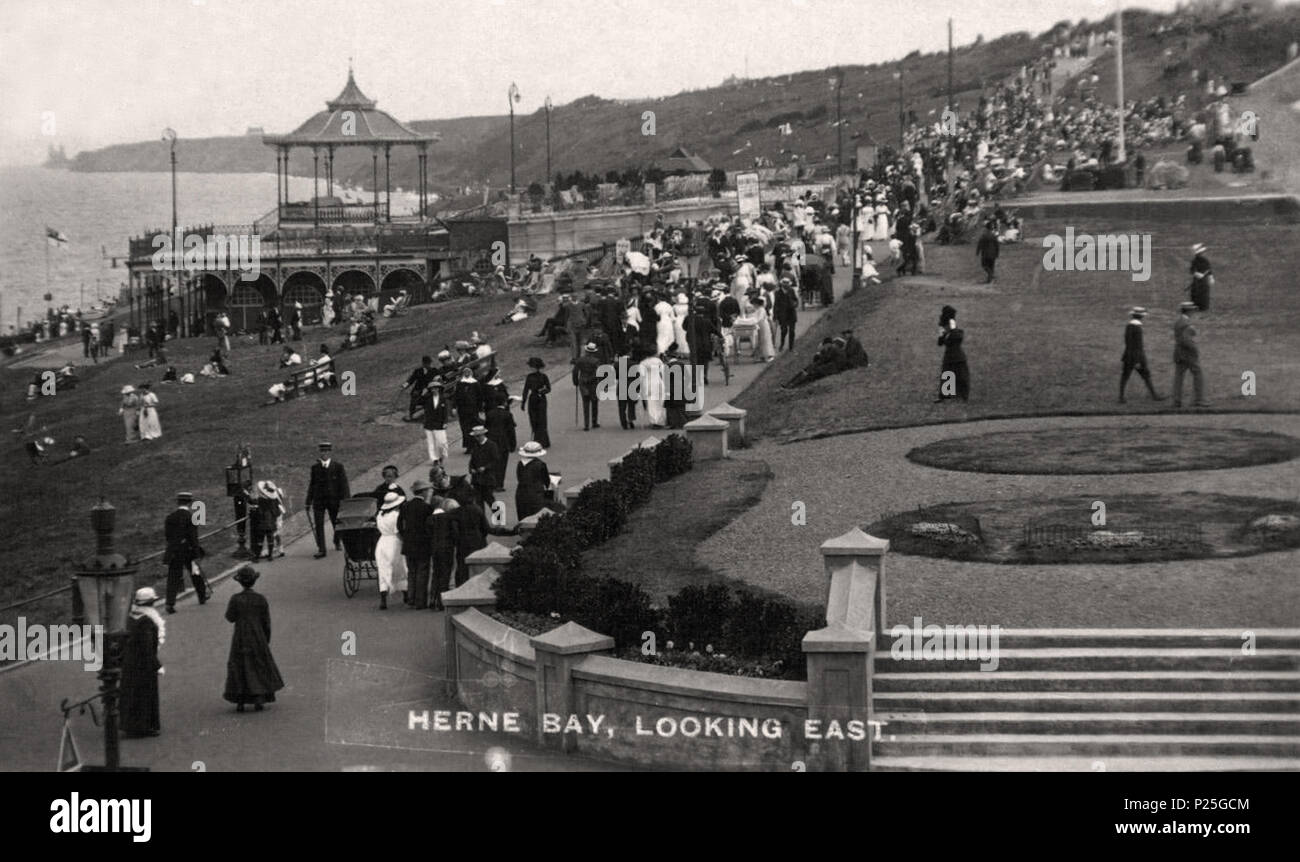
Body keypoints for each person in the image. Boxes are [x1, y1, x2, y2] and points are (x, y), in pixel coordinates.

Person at [223, 566, 285, 712]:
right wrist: (266, 639)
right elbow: (266, 622)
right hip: (257, 636)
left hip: (240, 636)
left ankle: (240, 699)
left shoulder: (235, 599)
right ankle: (259, 697)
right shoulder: (260, 599)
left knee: (239, 665)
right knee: (258, 664)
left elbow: (229, 617)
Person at [120, 587, 165, 738]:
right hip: (143, 664)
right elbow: (147, 647)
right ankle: (145, 726)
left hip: (129, 662)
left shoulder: (130, 618)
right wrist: (157, 664)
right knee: (145, 695)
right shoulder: (147, 622)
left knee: (131, 693)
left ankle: (129, 724)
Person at [163, 491, 206, 614]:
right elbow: (193, 537)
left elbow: (168, 536)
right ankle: (202, 596)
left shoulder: (170, 517)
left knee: (173, 577)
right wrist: (197, 554)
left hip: (174, 550)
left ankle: (169, 603)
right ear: (190, 502)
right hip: (188, 550)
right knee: (195, 573)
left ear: (178, 502)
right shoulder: (191, 517)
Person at [305, 441, 349, 559]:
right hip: (319, 501)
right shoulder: (315, 468)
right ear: (320, 452)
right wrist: (308, 501)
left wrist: (346, 500)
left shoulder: (338, 467)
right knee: (318, 524)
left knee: (336, 523)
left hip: (334, 500)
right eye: (322, 451)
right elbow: (312, 484)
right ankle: (321, 549)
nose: (324, 453)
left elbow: (344, 484)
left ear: (330, 452)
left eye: (326, 451)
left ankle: (336, 540)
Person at [400, 480, 434, 609]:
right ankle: (420, 601)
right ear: (424, 492)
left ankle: (411, 598)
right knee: (422, 572)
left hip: (409, 544)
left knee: (412, 572)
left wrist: (405, 536)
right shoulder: (427, 508)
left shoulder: (405, 506)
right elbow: (430, 526)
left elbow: (400, 525)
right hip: (423, 544)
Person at [1119, 307, 1164, 403]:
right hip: (1137, 357)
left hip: (1128, 356)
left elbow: (1129, 344)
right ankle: (1154, 395)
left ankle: (1121, 397)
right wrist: (1137, 361)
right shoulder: (1137, 328)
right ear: (1141, 316)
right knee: (1146, 376)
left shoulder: (1129, 326)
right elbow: (1135, 345)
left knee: (1125, 376)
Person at [374, 489, 407, 610]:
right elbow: (397, 532)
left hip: (382, 542)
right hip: (394, 542)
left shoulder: (379, 516)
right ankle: (405, 594)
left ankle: (383, 598)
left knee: (383, 569)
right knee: (400, 568)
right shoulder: (396, 516)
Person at [1172, 301, 1207, 408]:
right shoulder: (1186, 324)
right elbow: (1186, 340)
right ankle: (1199, 400)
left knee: (1179, 377)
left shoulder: (1178, 322)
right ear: (1189, 311)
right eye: (1192, 310)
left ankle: (1177, 401)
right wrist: (1195, 349)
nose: (1193, 312)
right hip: (1188, 354)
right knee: (1198, 374)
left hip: (1179, 353)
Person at [426, 494, 459, 604]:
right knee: (445, 573)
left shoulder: (430, 519)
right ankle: (441, 600)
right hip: (447, 548)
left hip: (435, 548)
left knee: (436, 572)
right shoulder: (449, 519)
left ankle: (432, 598)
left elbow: (429, 534)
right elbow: (455, 534)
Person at [936, 305, 970, 402]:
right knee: (960, 375)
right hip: (957, 355)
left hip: (951, 354)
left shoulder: (946, 325)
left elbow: (941, 342)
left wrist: (945, 333)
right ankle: (961, 396)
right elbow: (954, 337)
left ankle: (948, 395)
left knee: (948, 373)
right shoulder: (949, 324)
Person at [484, 395, 516, 491]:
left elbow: (486, 428)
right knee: (502, 464)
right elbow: (511, 431)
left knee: (493, 463)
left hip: (492, 441)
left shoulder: (489, 414)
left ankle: (492, 483)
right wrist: (512, 444)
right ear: (504, 403)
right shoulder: (508, 414)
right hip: (503, 442)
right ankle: (499, 484)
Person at [466, 425, 499, 515]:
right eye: (475, 437)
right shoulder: (475, 446)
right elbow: (472, 460)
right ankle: (482, 521)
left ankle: (499, 517)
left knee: (490, 500)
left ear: (483, 435)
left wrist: (485, 467)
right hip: (476, 478)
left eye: (478, 436)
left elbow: (495, 461)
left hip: (488, 478)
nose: (476, 438)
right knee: (478, 501)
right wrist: (471, 469)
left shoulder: (492, 445)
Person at [515, 441, 552, 520]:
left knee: (523, 516)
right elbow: (546, 480)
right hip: (535, 494)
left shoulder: (520, 463)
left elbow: (519, 477)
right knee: (535, 517)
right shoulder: (540, 464)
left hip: (521, 493)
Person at [251, 480, 286, 560]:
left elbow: (256, 507)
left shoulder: (261, 500)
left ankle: (257, 556)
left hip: (264, 521)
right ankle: (272, 554)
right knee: (272, 536)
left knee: (261, 538)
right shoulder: (273, 498)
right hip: (273, 520)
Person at [520, 357, 552, 447]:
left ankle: (543, 441)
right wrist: (523, 402)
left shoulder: (544, 376)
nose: (531, 368)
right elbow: (525, 390)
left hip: (541, 399)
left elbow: (549, 388)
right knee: (533, 419)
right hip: (533, 399)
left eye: (532, 367)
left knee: (542, 420)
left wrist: (542, 391)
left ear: (537, 367)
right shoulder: (529, 377)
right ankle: (536, 439)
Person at [573, 342, 602, 431]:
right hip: (593, 382)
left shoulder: (580, 360)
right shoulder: (596, 361)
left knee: (585, 403)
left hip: (583, 382)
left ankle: (586, 424)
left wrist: (575, 381)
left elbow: (575, 372)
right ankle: (594, 422)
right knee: (594, 402)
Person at [452, 367, 482, 452]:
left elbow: (479, 396)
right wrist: (454, 407)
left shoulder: (475, 383)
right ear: (463, 373)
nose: (467, 373)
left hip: (473, 409)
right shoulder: (460, 383)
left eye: (468, 371)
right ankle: (468, 446)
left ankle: (475, 445)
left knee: (474, 427)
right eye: (465, 372)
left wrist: (480, 409)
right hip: (462, 410)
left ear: (471, 373)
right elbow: (456, 396)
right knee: (465, 428)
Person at [421, 383, 449, 465]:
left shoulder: (443, 399)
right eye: (432, 389)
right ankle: (434, 459)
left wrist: (445, 422)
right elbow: (419, 401)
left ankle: (442, 456)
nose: (434, 390)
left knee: (441, 442)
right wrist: (423, 394)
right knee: (431, 442)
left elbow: (446, 412)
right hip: (429, 424)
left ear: (439, 389)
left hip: (440, 423)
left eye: (436, 388)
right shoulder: (427, 399)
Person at [402, 356, 438, 421]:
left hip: (429, 390)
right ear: (423, 363)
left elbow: (437, 381)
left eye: (428, 363)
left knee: (425, 396)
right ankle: (411, 413)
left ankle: (426, 413)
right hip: (418, 390)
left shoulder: (434, 371)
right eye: (425, 363)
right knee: (415, 395)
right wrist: (405, 385)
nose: (427, 365)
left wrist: (428, 389)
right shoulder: (418, 371)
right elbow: (411, 379)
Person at [774, 278, 799, 352]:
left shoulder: (791, 290)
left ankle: (791, 347)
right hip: (783, 314)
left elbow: (796, 300)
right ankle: (782, 344)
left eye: (788, 283)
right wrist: (775, 315)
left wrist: (794, 305)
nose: (787, 285)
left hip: (791, 313)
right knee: (784, 330)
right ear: (782, 284)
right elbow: (776, 305)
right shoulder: (778, 292)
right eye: (785, 283)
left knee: (792, 331)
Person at [1188, 243, 1213, 311]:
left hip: (1203, 280)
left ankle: (1203, 307)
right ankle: (1197, 306)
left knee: (1204, 293)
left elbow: (1209, 269)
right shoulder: (1195, 261)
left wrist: (1211, 277)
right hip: (1197, 280)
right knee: (1196, 292)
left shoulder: (1205, 260)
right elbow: (1192, 270)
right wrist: (1197, 274)